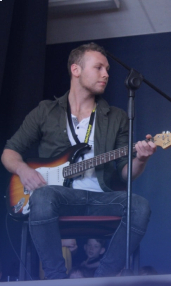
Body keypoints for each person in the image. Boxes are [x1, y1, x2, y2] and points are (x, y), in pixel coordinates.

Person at [1, 42, 156, 279]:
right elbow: (9, 152)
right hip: (58, 197)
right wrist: (24, 171)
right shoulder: (45, 111)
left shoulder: (116, 117)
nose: (106, 74)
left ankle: (102, 278)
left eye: (107, 69)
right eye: (99, 68)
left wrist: (141, 160)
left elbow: (126, 173)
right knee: (43, 196)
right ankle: (57, 280)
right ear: (76, 70)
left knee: (140, 206)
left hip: (100, 197)